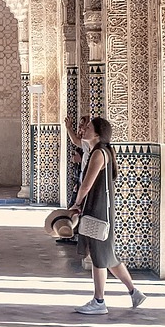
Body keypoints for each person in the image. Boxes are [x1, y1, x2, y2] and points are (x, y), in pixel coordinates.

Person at [67, 116, 146, 315]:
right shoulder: (100, 151)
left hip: (98, 209)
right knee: (109, 256)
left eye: (89, 128)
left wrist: (76, 204)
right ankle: (134, 292)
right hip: (100, 208)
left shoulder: (99, 154)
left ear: (98, 133)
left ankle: (99, 301)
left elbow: (87, 183)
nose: (84, 130)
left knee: (99, 256)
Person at [57, 113, 92, 244]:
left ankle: (74, 234)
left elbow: (76, 141)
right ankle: (69, 233)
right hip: (81, 179)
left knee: (77, 208)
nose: (82, 128)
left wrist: (69, 128)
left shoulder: (96, 148)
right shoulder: (89, 144)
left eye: (86, 126)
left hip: (84, 181)